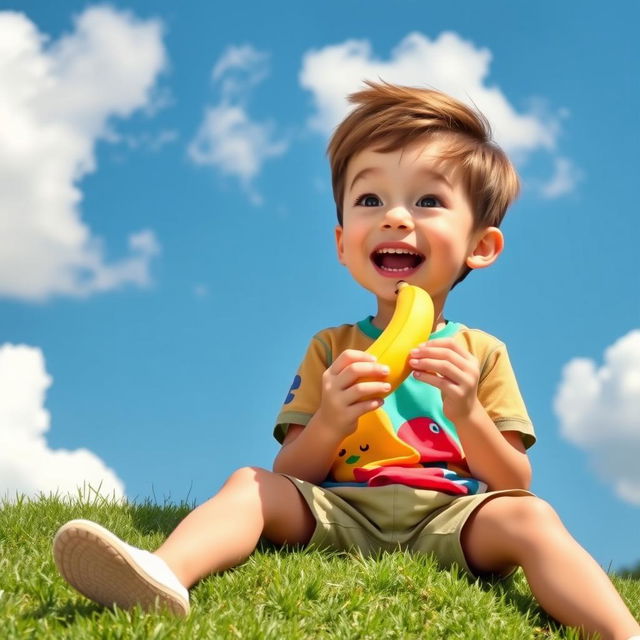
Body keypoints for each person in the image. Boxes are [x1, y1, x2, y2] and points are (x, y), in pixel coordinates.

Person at [53, 81, 639, 640]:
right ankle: (162, 574)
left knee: (532, 519)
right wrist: (332, 417)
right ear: (342, 243)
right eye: (369, 198)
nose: (395, 216)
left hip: (451, 519)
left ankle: (622, 629)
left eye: (429, 200)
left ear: (480, 246)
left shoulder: (481, 352)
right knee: (250, 483)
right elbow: (293, 474)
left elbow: (514, 482)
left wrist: (468, 414)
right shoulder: (331, 347)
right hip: (338, 510)